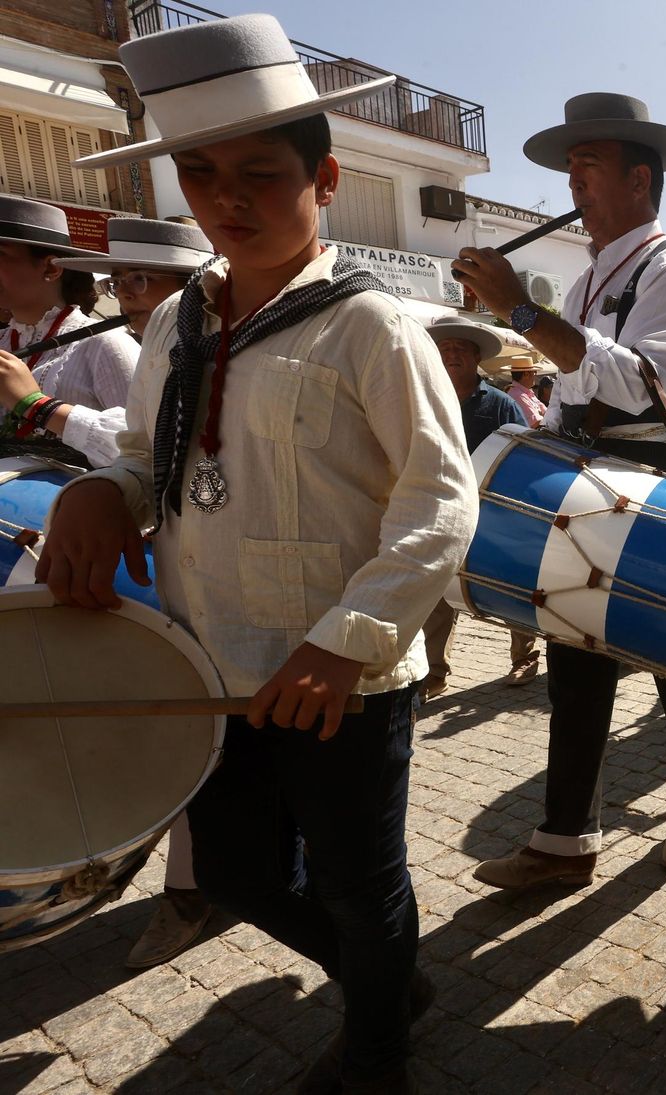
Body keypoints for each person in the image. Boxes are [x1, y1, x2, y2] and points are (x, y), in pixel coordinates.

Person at [43, 16, 478, 1091]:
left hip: (341, 680)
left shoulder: (372, 327)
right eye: (198, 175)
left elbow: (440, 499)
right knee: (237, 875)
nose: (226, 200)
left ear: (324, 180)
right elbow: (149, 458)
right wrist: (101, 490)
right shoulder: (174, 324)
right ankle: (387, 980)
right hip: (211, 671)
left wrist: (348, 643)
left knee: (356, 882)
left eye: (260, 175)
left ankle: (378, 1045)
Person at [454, 92, 666, 885]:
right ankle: (565, 841)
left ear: (639, 180)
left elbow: (639, 382)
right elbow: (574, 388)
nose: (573, 181)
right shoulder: (582, 284)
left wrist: (516, 306)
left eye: (588, 165)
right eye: (569, 167)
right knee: (574, 655)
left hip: (658, 480)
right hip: (590, 480)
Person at [51, 216, 220, 970]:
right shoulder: (148, 340)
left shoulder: (123, 344)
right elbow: (137, 458)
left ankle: (197, 890)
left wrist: (41, 412)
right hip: (162, 563)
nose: (126, 295)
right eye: (119, 281)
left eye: (141, 281)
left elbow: (135, 448)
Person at [420, 316, 539, 694]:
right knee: (437, 589)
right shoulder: (424, 396)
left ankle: (525, 658)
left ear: (476, 357)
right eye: (445, 348)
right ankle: (435, 672)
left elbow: (523, 452)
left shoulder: (501, 404)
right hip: (440, 506)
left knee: (507, 581)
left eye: (460, 348)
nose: (452, 353)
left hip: (492, 509)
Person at [0, 196, 139, 468]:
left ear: (51, 268)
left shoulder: (104, 344)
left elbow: (148, 451)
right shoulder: (4, 342)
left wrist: (35, 405)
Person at [505, 352, 550, 428]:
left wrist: (543, 415)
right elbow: (536, 423)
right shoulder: (518, 395)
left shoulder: (525, 393)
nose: (535, 375)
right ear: (526, 374)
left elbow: (548, 413)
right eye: (534, 372)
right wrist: (543, 415)